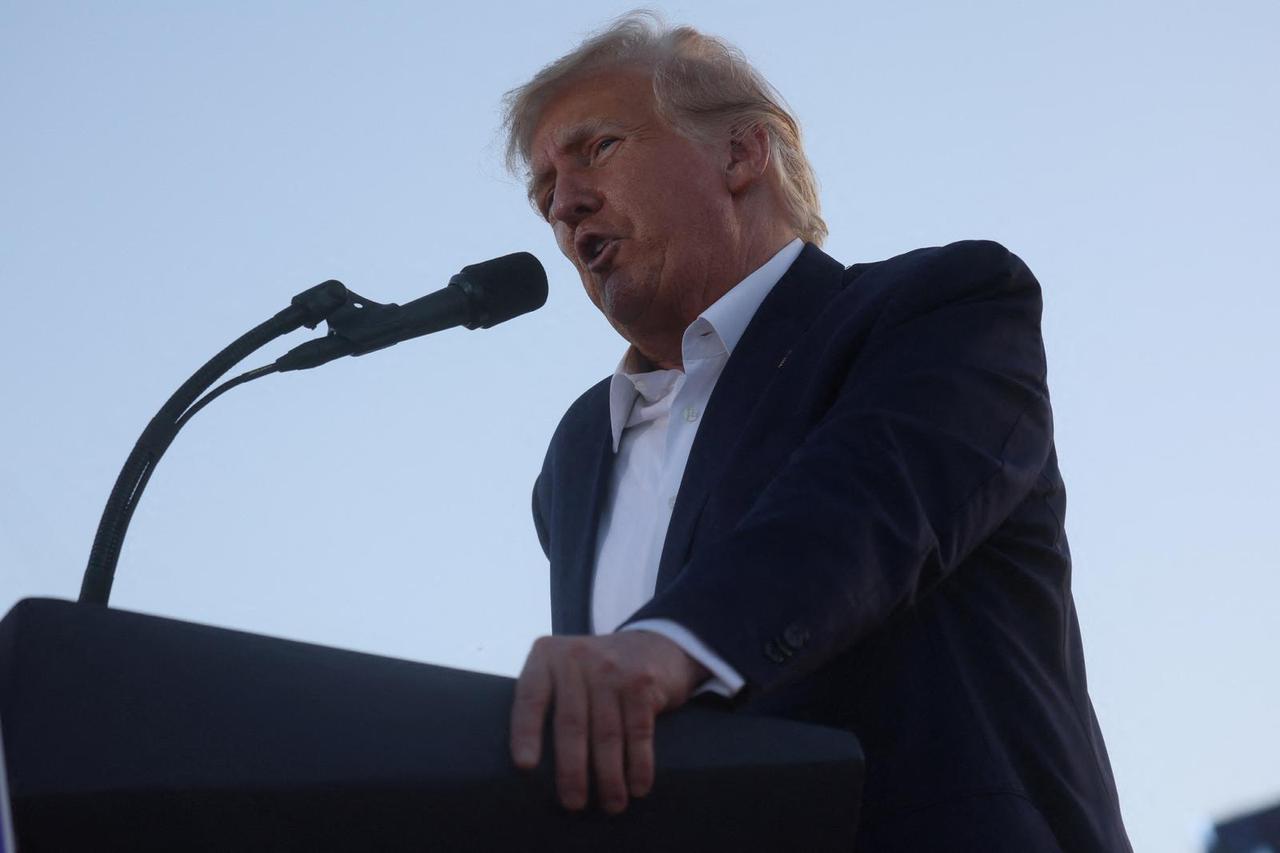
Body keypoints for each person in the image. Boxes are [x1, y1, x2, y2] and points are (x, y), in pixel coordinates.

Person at [502, 12, 1131, 851]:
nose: (566, 201)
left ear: (740, 154)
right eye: (544, 192)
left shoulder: (942, 307)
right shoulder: (577, 457)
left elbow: (862, 506)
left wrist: (669, 645)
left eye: (598, 148)